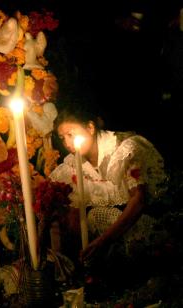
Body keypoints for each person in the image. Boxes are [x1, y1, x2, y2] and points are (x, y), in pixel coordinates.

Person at [49, 103, 168, 287]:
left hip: (142, 227)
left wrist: (102, 241)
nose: (67, 143)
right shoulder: (72, 166)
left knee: (97, 216)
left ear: (90, 127)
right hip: (104, 246)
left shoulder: (124, 149)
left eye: (71, 134)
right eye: (62, 137)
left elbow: (139, 200)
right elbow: (72, 217)